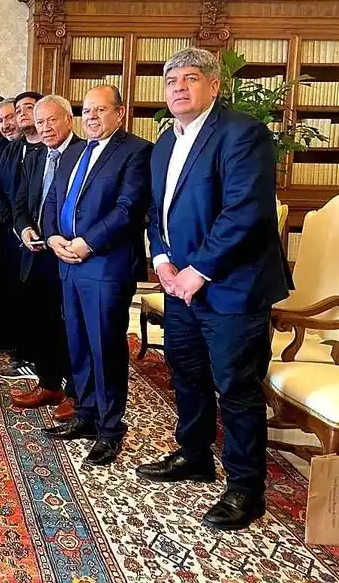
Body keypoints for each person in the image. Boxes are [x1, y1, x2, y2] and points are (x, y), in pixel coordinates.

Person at [136, 47, 290, 531]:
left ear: (214, 86)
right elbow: (154, 210)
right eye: (170, 81)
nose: (178, 88)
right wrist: (161, 259)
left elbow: (245, 211)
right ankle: (195, 455)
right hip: (181, 286)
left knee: (237, 388)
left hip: (231, 289)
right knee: (188, 375)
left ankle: (247, 488)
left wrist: (197, 271)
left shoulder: (243, 133)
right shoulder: (163, 143)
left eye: (189, 78)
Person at [42, 85, 151, 467]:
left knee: (105, 346)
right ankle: (86, 414)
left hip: (104, 264)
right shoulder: (73, 152)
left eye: (100, 110)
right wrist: (53, 236)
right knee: (77, 343)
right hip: (67, 261)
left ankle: (110, 429)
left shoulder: (136, 151)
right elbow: (54, 199)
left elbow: (128, 209)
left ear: (119, 113)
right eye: (86, 111)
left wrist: (87, 243)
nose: (90, 117)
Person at [10, 95, 80, 421]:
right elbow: (20, 203)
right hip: (35, 253)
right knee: (42, 324)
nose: (46, 128)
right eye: (41, 122)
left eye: (52, 120)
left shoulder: (83, 154)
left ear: (68, 119)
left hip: (69, 255)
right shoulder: (36, 158)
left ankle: (79, 394)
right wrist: (23, 229)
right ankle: (50, 383)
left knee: (74, 328)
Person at [0, 92, 43, 365]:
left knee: (33, 297)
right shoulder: (9, 149)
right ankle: (8, 343)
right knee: (7, 290)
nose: (8, 123)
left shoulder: (49, 148)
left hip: (42, 237)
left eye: (16, 114)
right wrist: (12, 223)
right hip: (9, 232)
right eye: (6, 117)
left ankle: (31, 350)